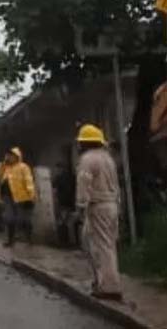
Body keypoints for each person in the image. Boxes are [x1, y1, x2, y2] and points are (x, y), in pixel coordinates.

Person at [75, 124, 123, 301]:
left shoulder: (87, 159)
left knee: (101, 247)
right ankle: (101, 282)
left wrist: (80, 206)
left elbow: (84, 183)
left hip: (97, 206)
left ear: (86, 143)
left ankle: (109, 287)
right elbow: (116, 185)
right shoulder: (107, 159)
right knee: (100, 244)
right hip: (111, 205)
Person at [0, 147, 36, 246]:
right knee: (9, 218)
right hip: (7, 197)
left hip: (21, 197)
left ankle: (29, 239)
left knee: (23, 219)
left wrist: (31, 196)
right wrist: (3, 164)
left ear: (17, 156)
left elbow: (29, 182)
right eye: (8, 155)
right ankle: (10, 241)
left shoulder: (23, 167)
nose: (9, 157)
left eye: (11, 155)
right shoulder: (5, 167)